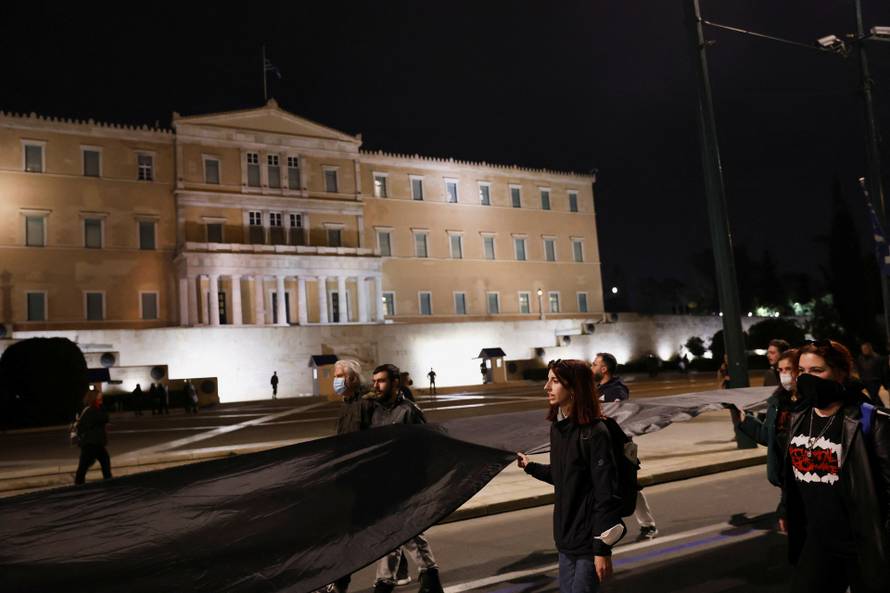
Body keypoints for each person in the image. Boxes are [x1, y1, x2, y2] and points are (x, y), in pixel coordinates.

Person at [782, 339, 890, 592]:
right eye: (802, 371)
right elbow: (791, 474)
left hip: (861, 545)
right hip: (817, 541)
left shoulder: (870, 420)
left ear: (840, 372)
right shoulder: (798, 417)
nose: (807, 378)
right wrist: (785, 508)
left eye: (817, 370)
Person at [517, 359, 624, 592]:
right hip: (565, 538)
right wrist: (530, 466)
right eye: (548, 380)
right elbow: (562, 476)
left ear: (574, 387)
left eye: (554, 381)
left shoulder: (595, 432)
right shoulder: (558, 429)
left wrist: (602, 549)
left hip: (588, 542)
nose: (547, 387)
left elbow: (606, 494)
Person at [369, 364, 442, 593]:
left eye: (381, 381)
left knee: (398, 529)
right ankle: (430, 576)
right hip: (383, 480)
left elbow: (426, 446)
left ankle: (385, 582)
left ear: (395, 383)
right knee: (400, 530)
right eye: (374, 381)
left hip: (404, 481)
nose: (376, 386)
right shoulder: (376, 411)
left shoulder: (409, 410)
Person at [731, 349, 808, 527]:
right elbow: (768, 436)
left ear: (800, 370)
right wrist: (744, 420)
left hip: (806, 477)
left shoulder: (810, 402)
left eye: (788, 369)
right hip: (786, 478)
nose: (784, 374)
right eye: (780, 370)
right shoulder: (777, 402)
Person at [593, 352, 658, 539]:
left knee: (629, 486)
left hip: (622, 446)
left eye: (594, 364)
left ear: (604, 369)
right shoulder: (598, 389)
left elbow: (619, 414)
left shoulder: (617, 390)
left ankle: (648, 525)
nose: (592, 367)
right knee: (606, 485)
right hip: (605, 445)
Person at [74, 390, 112, 485]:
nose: (101, 398)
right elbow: (104, 418)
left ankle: (109, 482)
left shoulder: (95, 409)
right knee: (83, 466)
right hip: (90, 444)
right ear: (94, 397)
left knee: (104, 461)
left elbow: (104, 419)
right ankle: (78, 485)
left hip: (96, 443)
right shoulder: (90, 410)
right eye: (99, 396)